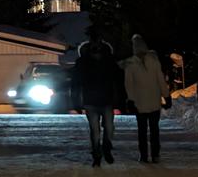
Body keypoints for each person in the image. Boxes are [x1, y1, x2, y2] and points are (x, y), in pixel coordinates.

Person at [72, 27, 122, 167]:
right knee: (96, 130)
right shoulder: (84, 61)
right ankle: (97, 154)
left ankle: (105, 148)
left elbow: (118, 79)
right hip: (92, 101)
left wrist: (120, 99)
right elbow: (75, 83)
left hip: (105, 100)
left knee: (108, 127)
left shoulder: (107, 59)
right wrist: (76, 101)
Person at [122, 34, 171, 163]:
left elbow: (129, 84)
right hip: (154, 102)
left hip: (139, 103)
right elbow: (161, 80)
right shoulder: (154, 61)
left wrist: (131, 99)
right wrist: (166, 96)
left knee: (142, 131)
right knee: (154, 130)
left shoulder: (130, 64)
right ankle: (155, 154)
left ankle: (143, 155)